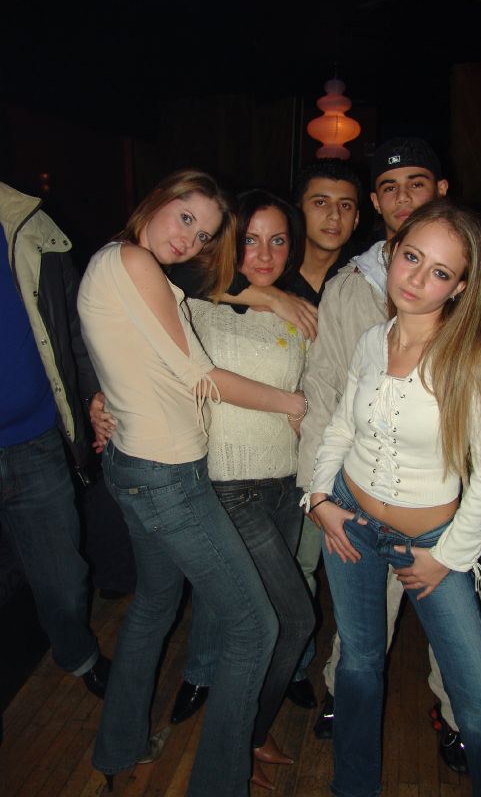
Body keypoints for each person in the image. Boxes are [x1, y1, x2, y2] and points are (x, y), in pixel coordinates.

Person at [297, 137, 481, 765]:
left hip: (442, 513)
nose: (403, 196)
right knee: (359, 642)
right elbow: (328, 400)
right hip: (356, 502)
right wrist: (315, 495)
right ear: (377, 205)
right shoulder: (354, 296)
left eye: (417, 182)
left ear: (441, 190)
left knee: (466, 650)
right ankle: (345, 716)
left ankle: (455, 719)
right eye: (389, 186)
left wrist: (478, 514)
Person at [77, 169, 309, 797]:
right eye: (186, 218)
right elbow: (198, 375)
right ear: (158, 200)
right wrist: (292, 403)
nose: (190, 239)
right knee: (255, 627)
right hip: (167, 478)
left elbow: (143, 349)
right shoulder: (134, 261)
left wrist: (103, 400)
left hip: (134, 463)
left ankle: (120, 745)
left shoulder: (117, 263)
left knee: (155, 605)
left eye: (204, 234)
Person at [170, 189, 314, 790]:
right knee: (292, 620)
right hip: (230, 488)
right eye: (250, 239)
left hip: (285, 486)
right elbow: (167, 269)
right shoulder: (195, 304)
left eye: (278, 241)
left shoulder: (301, 314)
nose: (265, 254)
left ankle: (246, 731)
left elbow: (316, 393)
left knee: (262, 622)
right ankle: (239, 739)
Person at [0, 181, 110, 699]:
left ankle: (78, 655)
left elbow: (71, 329)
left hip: (36, 443)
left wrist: (91, 396)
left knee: (64, 579)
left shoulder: (31, 223)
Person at [285, 159, 364, 709]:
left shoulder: (367, 281)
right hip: (261, 447)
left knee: (308, 563)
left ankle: (294, 665)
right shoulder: (266, 268)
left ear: (358, 217)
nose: (333, 216)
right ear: (299, 209)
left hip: (329, 450)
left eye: (345, 205)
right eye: (320, 202)